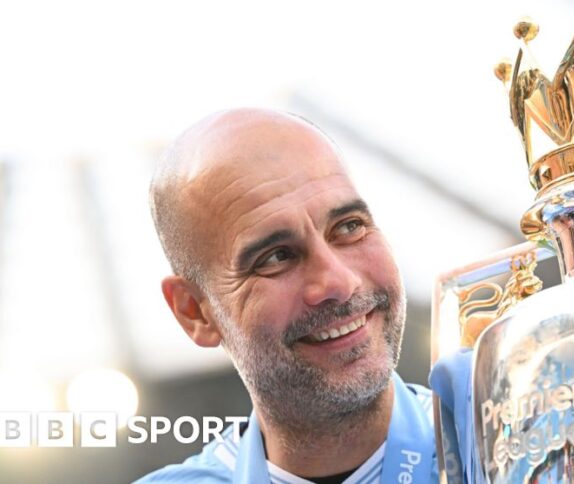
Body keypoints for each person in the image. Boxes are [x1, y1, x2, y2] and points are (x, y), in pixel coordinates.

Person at [137, 109, 437, 483]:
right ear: (194, 312)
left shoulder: (505, 443)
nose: (338, 282)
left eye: (349, 227)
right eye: (276, 257)